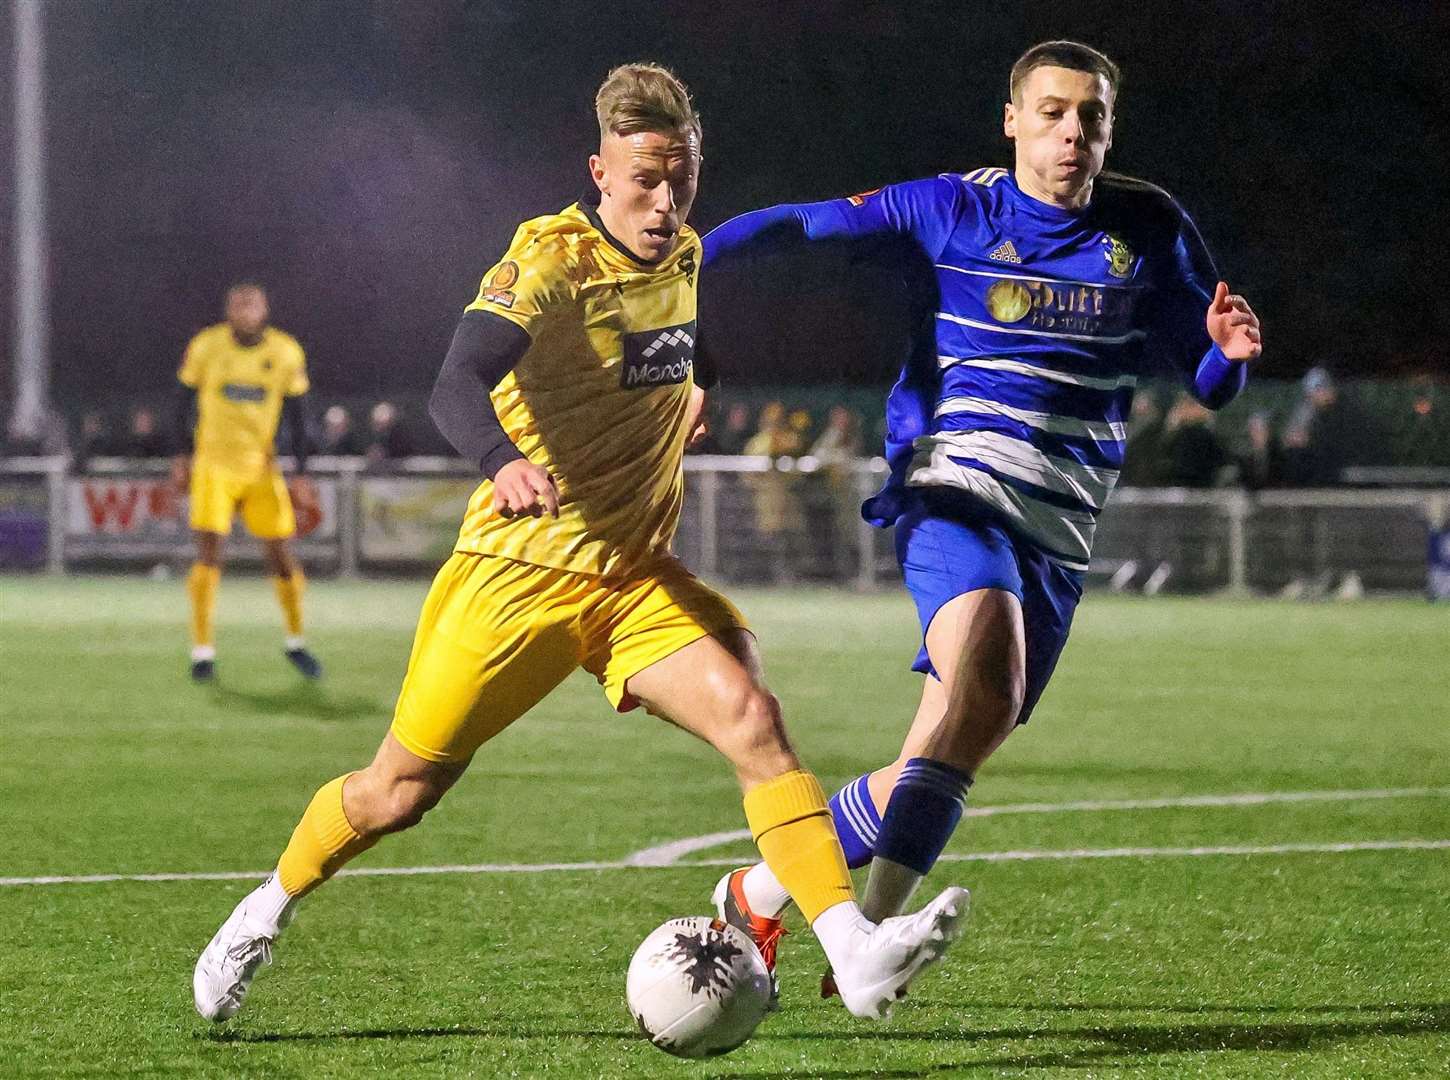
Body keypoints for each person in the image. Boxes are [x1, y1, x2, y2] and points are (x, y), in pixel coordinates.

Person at [191, 62, 966, 1027]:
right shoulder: (547, 262)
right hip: (517, 578)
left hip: (634, 579)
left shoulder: (679, 252)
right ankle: (265, 906)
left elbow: (681, 344)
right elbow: (455, 381)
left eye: (681, 178)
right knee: (398, 791)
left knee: (752, 715)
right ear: (598, 170)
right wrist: (501, 461)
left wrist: (695, 392)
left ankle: (850, 951)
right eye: (643, 178)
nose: (666, 199)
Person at [701, 40, 1262, 995]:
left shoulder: (1150, 224)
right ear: (1012, 120)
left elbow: (1205, 379)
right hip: (955, 486)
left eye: (1090, 116)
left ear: (1109, 128)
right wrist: (679, 267)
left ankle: (799, 913)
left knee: (951, 739)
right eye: (1051, 112)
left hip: (1061, 532)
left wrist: (1228, 357)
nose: (1072, 133)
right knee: (986, 698)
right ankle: (844, 936)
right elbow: (807, 225)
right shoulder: (955, 206)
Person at [172, 283, 321, 682]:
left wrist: (302, 473)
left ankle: (296, 641)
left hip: (261, 466)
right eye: (237, 304)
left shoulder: (285, 352)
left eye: (251, 303)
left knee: (281, 554)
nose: (244, 310)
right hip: (213, 465)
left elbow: (300, 415)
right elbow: (182, 402)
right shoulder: (206, 346)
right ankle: (202, 651)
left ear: (264, 309)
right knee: (208, 553)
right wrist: (181, 456)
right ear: (228, 310)